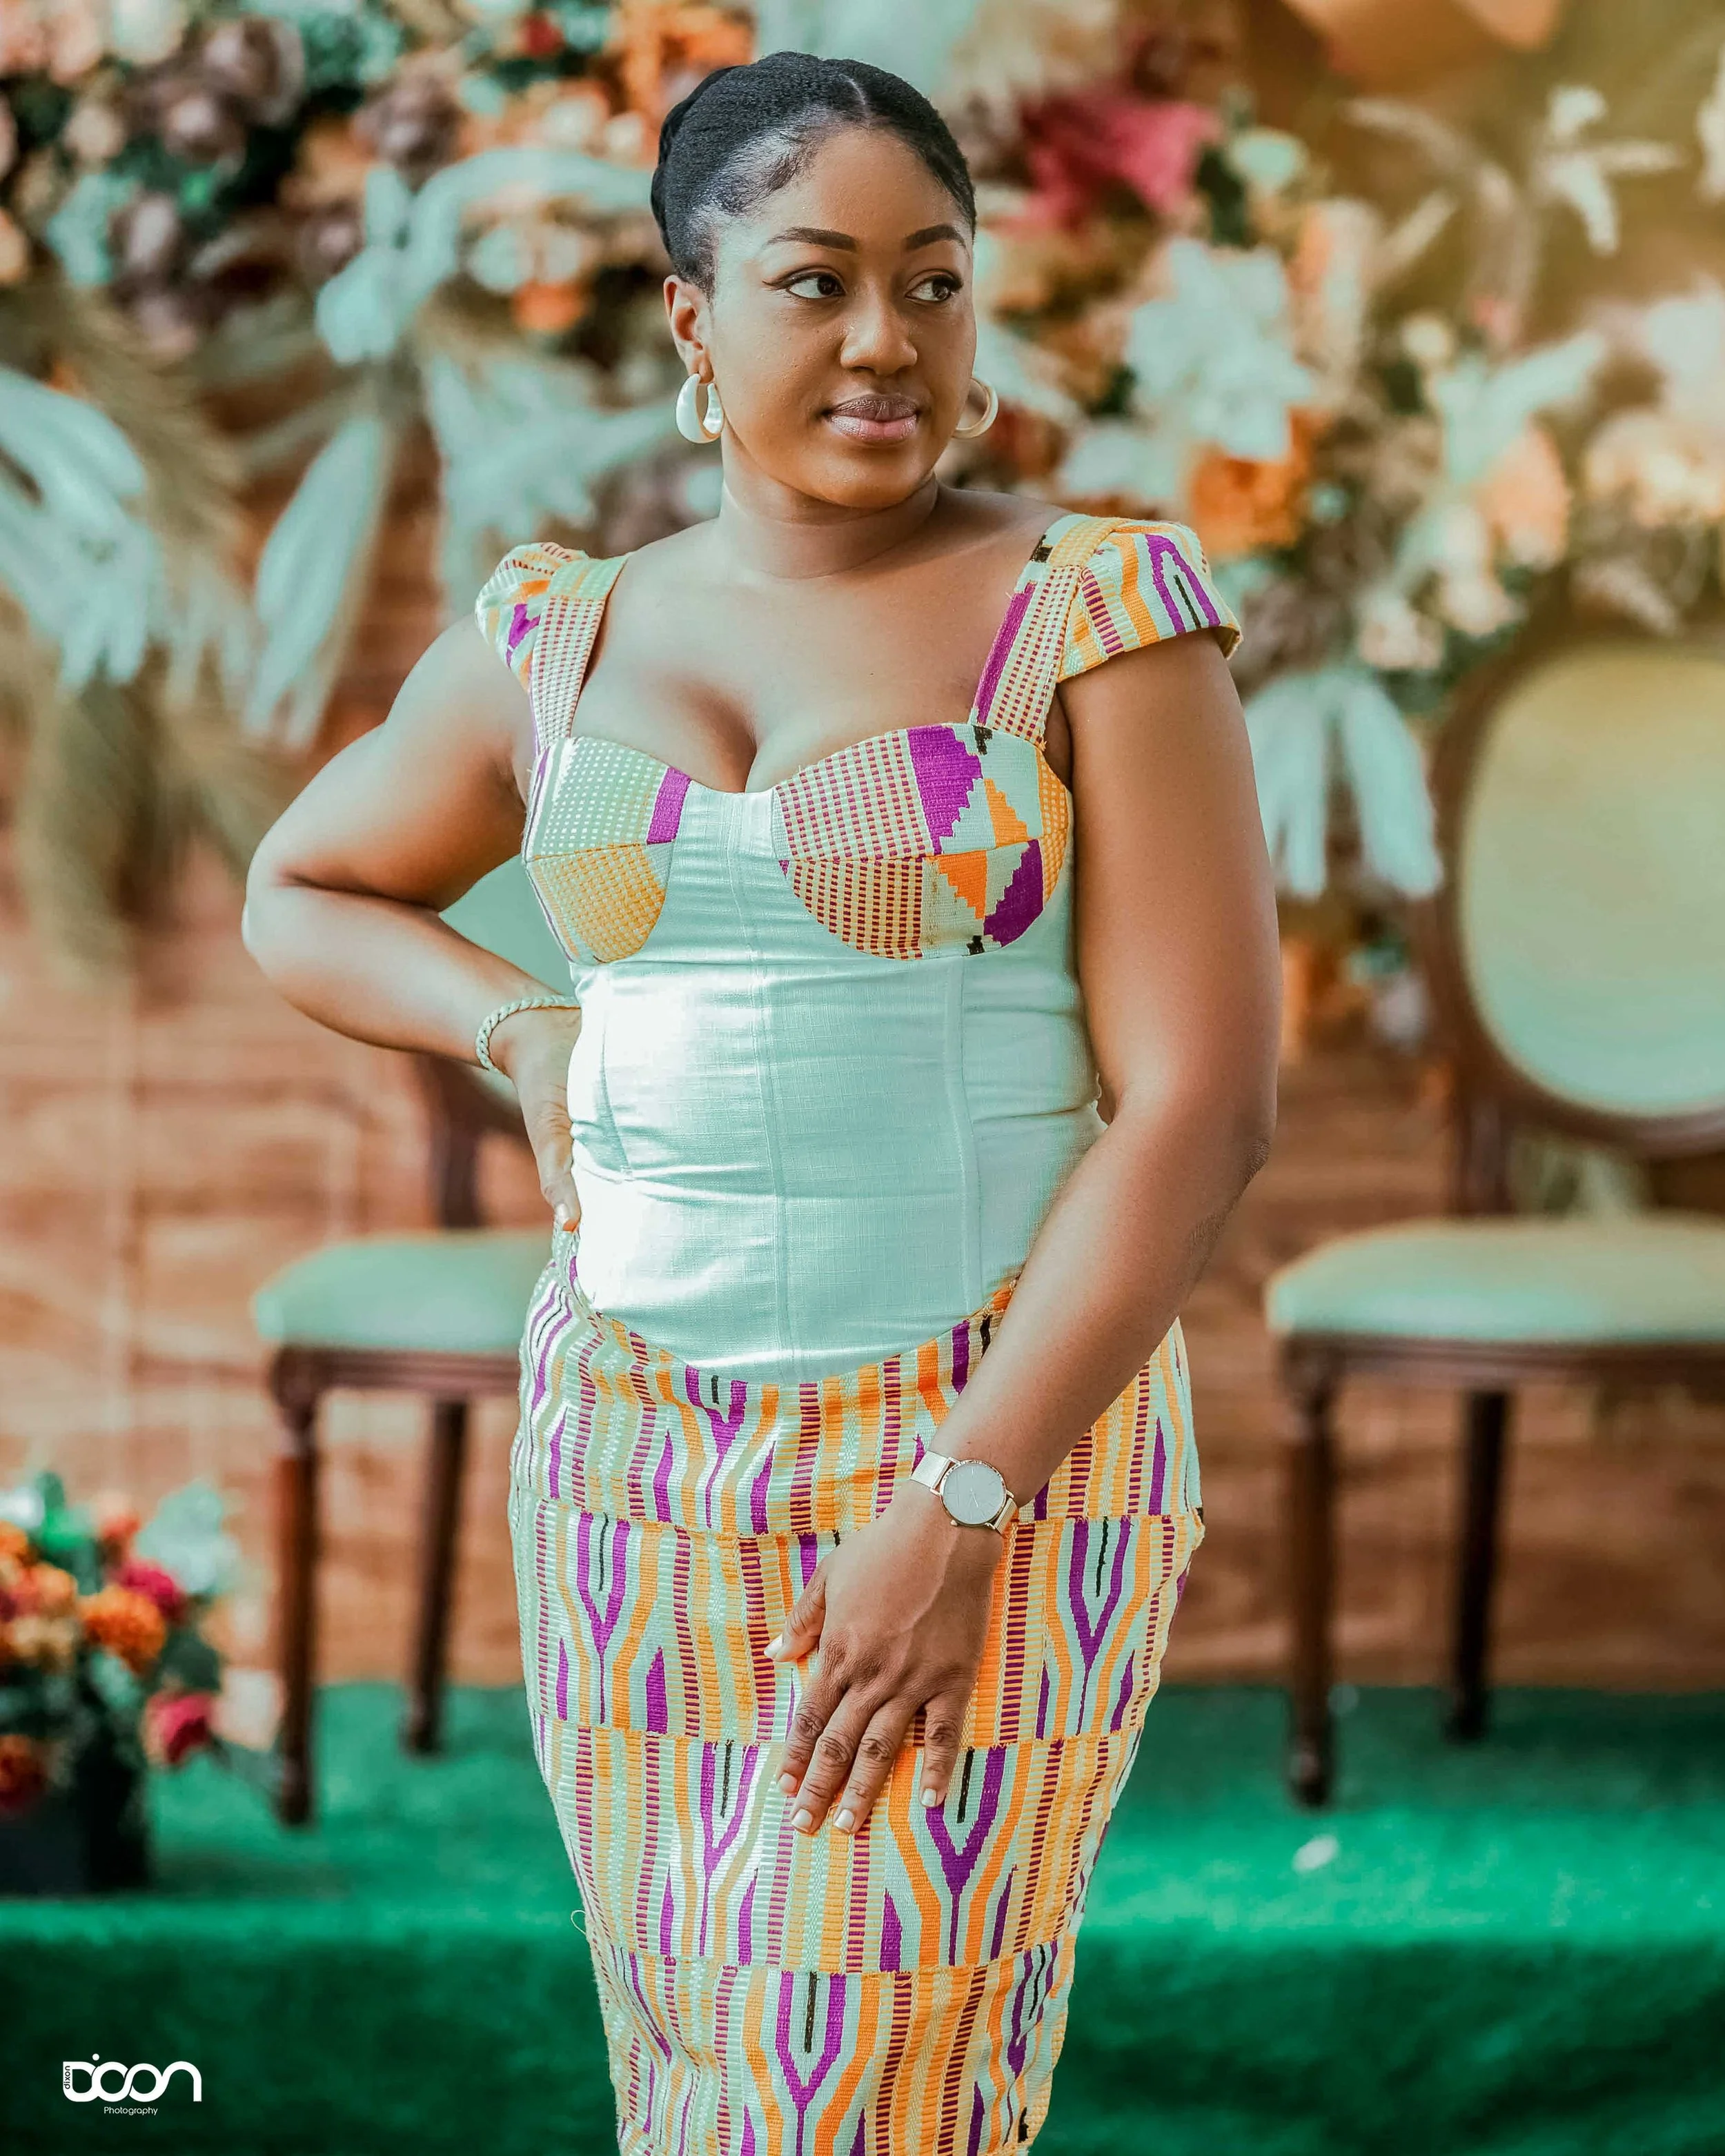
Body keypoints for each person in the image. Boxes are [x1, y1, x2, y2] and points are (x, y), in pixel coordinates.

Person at [242, 47, 1280, 2156]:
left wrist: (961, 1507)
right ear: (693, 319)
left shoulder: (1089, 614)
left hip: (982, 1458)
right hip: (624, 1474)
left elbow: (1201, 1107)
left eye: (934, 280)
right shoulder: (558, 631)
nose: (886, 339)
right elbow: (306, 889)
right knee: (694, 2074)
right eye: (816, 282)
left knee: (862, 2096)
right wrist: (522, 1031)